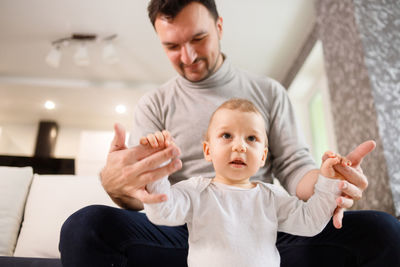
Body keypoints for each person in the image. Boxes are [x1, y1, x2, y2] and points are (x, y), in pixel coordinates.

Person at [59, 1, 400, 266]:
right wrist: (119, 181)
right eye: (172, 46)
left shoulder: (269, 92)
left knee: (383, 231)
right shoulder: (155, 103)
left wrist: (331, 183)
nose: (188, 56)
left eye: (198, 38)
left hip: (263, 236)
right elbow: (152, 196)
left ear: (219, 26)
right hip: (183, 232)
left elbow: (297, 170)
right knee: (85, 225)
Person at [143, 98, 346, 267]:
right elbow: (161, 212)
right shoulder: (196, 191)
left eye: (251, 138)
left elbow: (310, 222)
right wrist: (157, 168)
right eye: (226, 135)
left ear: (263, 156)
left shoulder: (272, 196)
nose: (240, 146)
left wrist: (328, 182)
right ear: (207, 151)